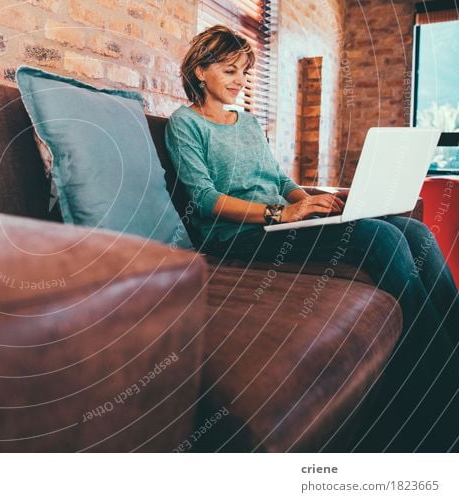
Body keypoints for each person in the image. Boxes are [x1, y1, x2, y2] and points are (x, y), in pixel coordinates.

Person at [165, 24, 459, 452]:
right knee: (382, 240)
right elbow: (206, 198)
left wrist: (312, 202)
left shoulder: (247, 123)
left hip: (282, 219)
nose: (239, 81)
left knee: (411, 229)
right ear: (199, 71)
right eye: (229, 70)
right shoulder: (184, 125)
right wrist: (282, 213)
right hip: (238, 236)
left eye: (244, 72)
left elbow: (280, 179)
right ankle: (439, 384)